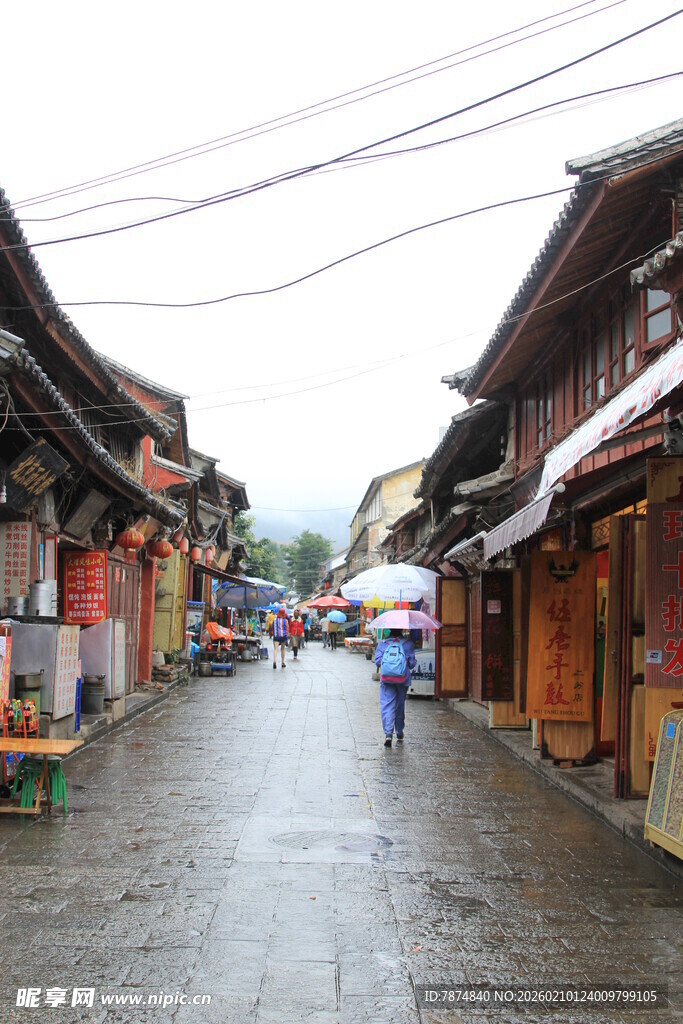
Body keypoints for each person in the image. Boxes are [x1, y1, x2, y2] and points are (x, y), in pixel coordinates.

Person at [374, 629, 416, 747]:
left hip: (387, 679)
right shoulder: (407, 644)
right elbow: (412, 664)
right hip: (403, 679)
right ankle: (399, 730)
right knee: (400, 704)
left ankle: (388, 733)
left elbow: (377, 661)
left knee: (387, 704)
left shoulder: (383, 644)